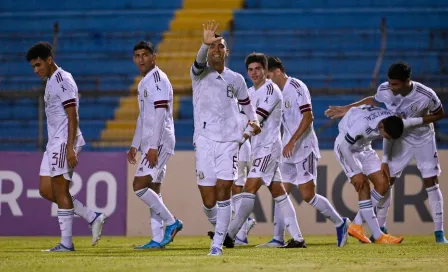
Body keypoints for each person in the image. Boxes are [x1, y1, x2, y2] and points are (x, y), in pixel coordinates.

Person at [325, 62, 447, 244]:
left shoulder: (424, 96)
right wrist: (347, 109)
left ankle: (438, 233)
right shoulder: (374, 111)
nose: (391, 87)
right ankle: (379, 231)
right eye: (390, 83)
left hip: (417, 138)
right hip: (367, 142)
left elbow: (437, 115)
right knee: (375, 183)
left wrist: (385, 159)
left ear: (407, 81)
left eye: (395, 84)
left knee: (399, 182)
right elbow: (368, 105)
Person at [257, 56, 349, 248]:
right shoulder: (275, 93)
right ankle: (278, 237)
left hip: (304, 147)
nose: (266, 80)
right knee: (281, 193)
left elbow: (308, 117)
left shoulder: (297, 87)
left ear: (278, 72)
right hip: (288, 150)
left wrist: (291, 141)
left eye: (268, 76)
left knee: (307, 195)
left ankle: (341, 223)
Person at [223, 52, 308, 255]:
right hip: (259, 148)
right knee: (279, 192)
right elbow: (241, 118)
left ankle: (229, 235)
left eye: (257, 69)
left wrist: (238, 141)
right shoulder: (251, 92)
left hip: (269, 147)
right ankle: (297, 238)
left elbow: (257, 120)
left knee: (249, 189)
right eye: (250, 70)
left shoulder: (271, 90)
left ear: (265, 70)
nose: (254, 73)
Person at [26, 42, 106, 252]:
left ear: (49, 60)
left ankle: (66, 243)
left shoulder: (62, 80)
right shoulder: (51, 81)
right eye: (33, 67)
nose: (36, 70)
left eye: (38, 65)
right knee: (45, 189)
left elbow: (73, 115)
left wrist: (70, 147)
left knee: (61, 189)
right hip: (53, 142)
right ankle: (92, 216)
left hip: (63, 141)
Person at [190, 21, 261, 256]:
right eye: (213, 47)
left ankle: (218, 244)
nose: (216, 50)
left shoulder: (237, 79)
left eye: (220, 46)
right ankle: (228, 227)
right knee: (208, 199)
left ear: (227, 52)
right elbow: (199, 61)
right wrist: (204, 43)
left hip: (230, 142)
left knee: (224, 190)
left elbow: (246, 105)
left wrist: (254, 120)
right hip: (204, 140)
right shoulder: (199, 74)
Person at [128, 41, 183, 249]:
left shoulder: (158, 79)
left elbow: (160, 113)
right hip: (153, 141)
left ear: (154, 57)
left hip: (159, 140)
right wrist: (135, 144)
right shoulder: (144, 82)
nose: (141, 59)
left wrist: (152, 146)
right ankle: (158, 238)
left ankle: (172, 222)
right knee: (153, 188)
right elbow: (144, 117)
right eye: (137, 55)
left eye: (145, 55)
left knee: (139, 186)